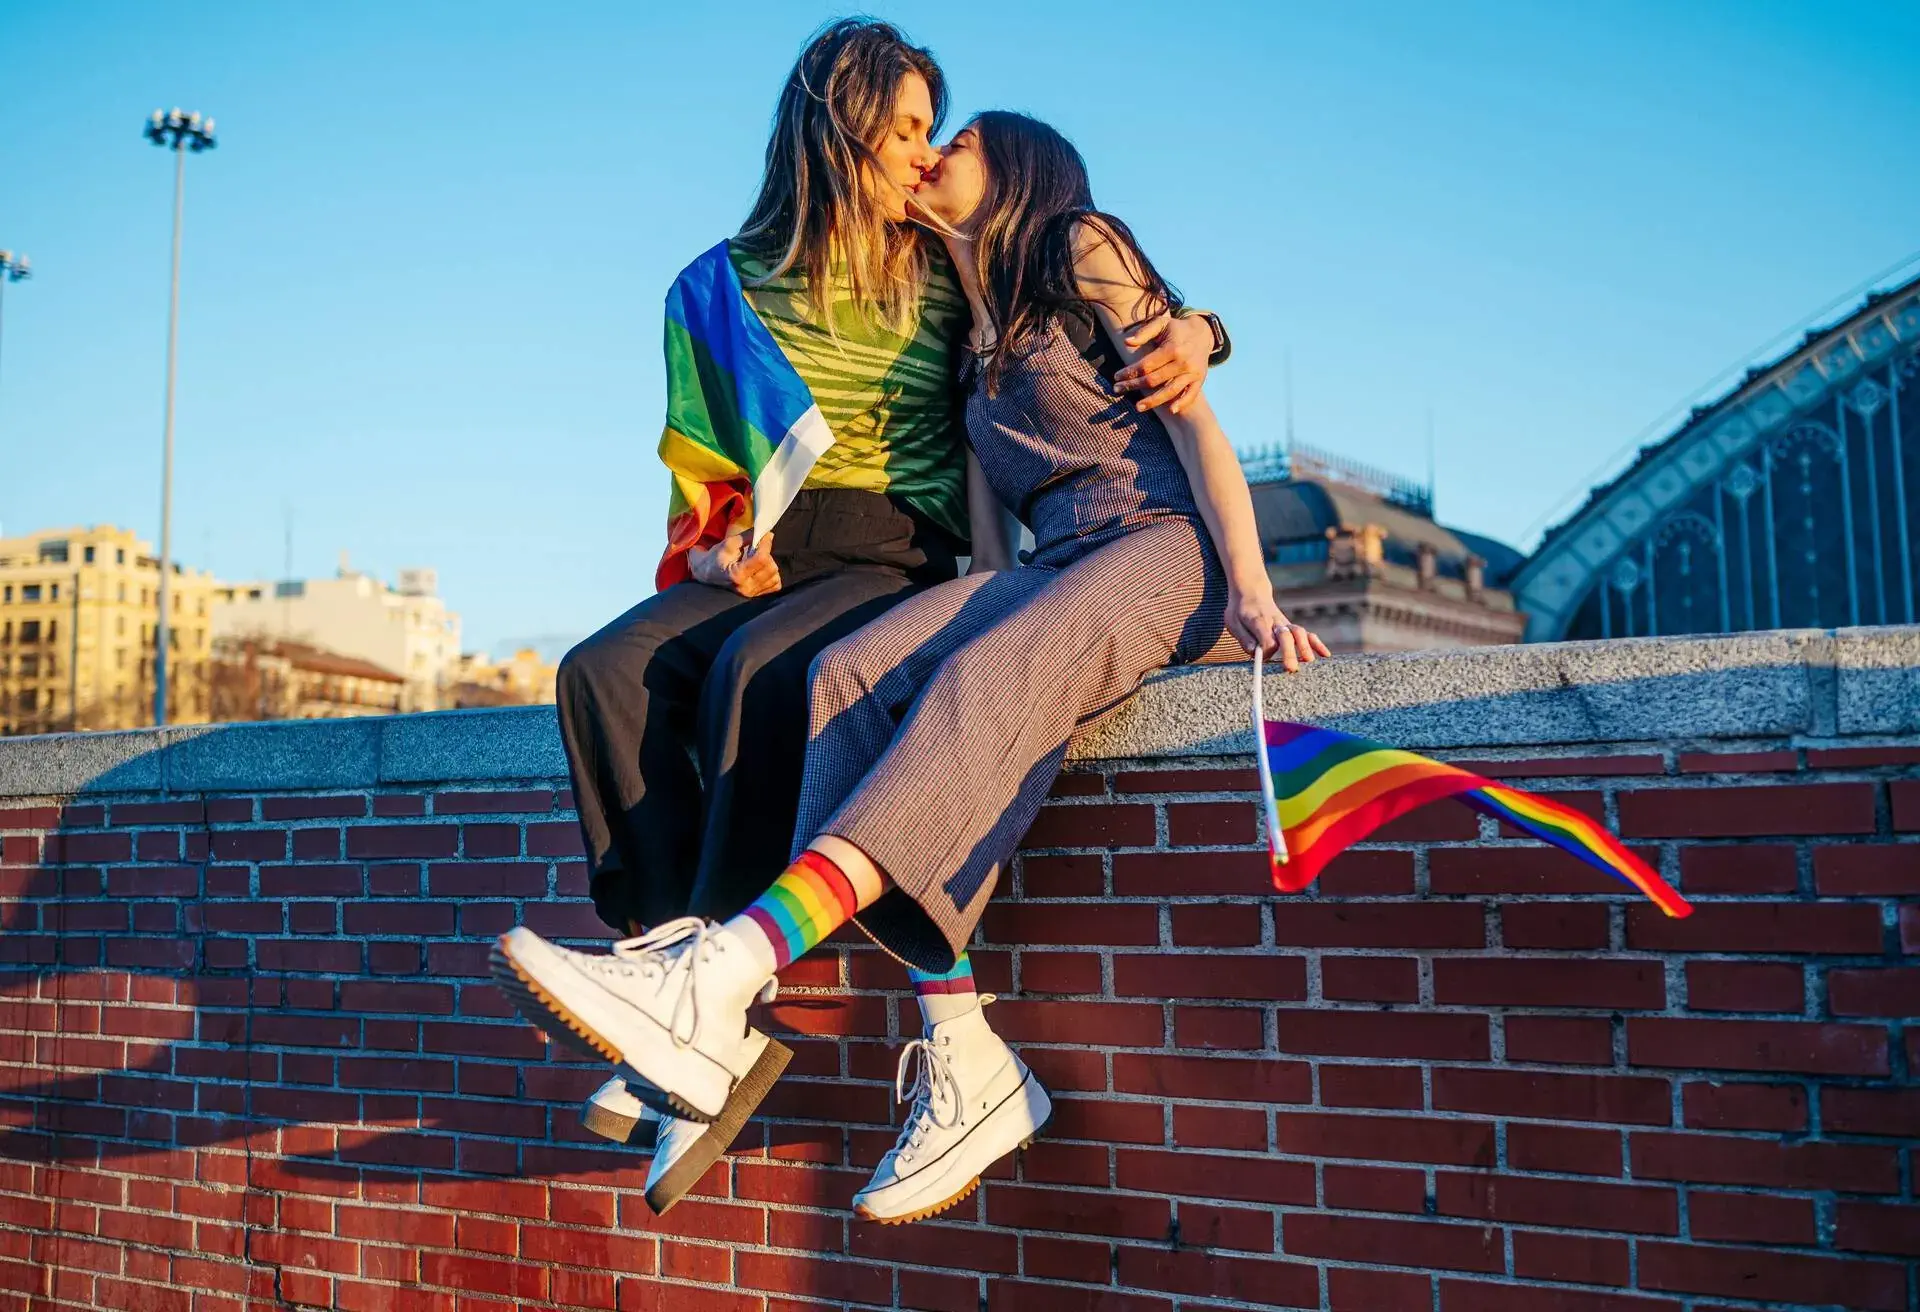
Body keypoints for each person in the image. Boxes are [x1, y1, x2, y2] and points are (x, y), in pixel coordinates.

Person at [499, 106, 1325, 1223]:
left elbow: (1197, 428)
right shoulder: (971, 340)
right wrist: (956, 622)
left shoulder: (1080, 242)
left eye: (962, 137)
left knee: (986, 676)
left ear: (1020, 166)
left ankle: (723, 972)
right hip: (1060, 567)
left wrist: (1256, 589)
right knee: (850, 671)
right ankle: (965, 1048)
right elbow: (991, 554)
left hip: (1169, 550)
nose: (936, 152)